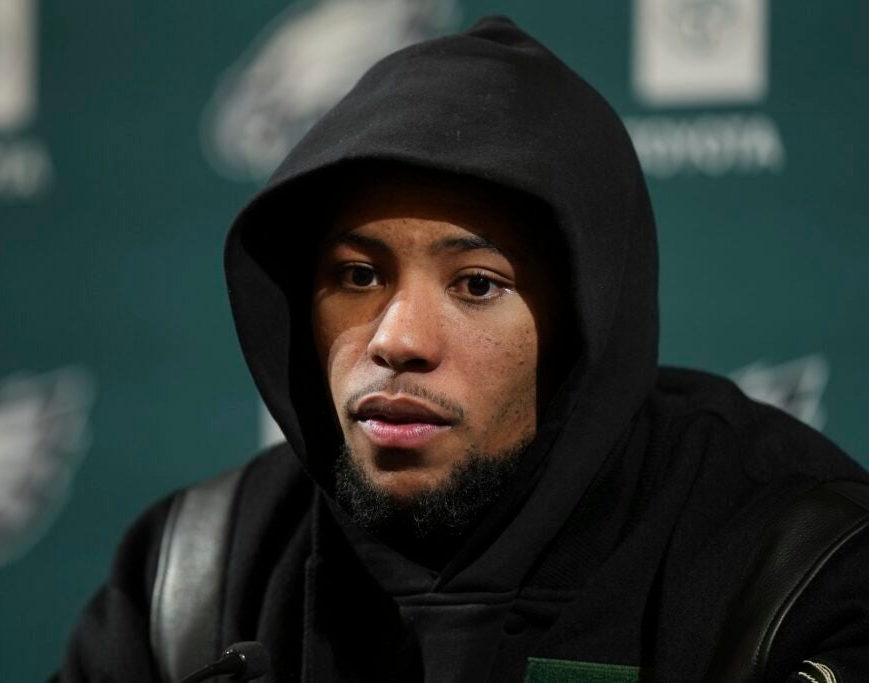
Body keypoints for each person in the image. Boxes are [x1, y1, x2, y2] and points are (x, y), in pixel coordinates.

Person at [52, 16, 869, 683]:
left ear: (589, 325)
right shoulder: (192, 576)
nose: (397, 339)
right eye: (359, 274)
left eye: (477, 284)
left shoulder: (797, 568)